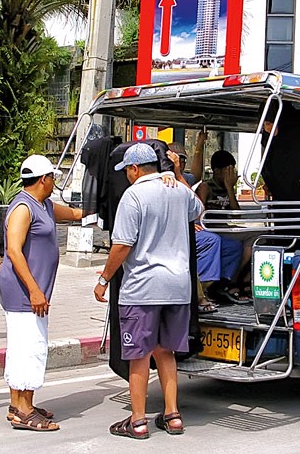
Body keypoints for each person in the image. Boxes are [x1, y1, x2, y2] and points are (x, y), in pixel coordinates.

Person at [94, 143, 203, 440]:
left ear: (133, 169)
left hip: (142, 288)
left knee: (139, 355)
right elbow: (199, 209)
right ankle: (173, 415)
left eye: (126, 171)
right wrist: (178, 175)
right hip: (178, 288)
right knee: (165, 352)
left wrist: (104, 278)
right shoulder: (179, 191)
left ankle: (138, 420)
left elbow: (123, 244)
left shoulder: (134, 196)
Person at [0, 154, 82, 432]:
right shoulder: (23, 207)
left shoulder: (43, 204)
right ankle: (24, 411)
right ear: (44, 179)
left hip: (35, 289)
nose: (54, 182)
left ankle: (18, 405)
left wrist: (97, 211)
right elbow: (13, 250)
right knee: (31, 347)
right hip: (24, 290)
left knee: (22, 346)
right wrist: (34, 290)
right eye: (53, 178)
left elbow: (72, 214)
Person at [196, 150, 250, 306]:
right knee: (229, 243)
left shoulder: (228, 189)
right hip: (210, 228)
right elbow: (199, 213)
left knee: (254, 238)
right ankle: (216, 284)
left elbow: (236, 215)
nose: (230, 174)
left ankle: (232, 279)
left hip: (226, 228)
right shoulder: (206, 187)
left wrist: (229, 188)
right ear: (217, 171)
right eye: (228, 171)